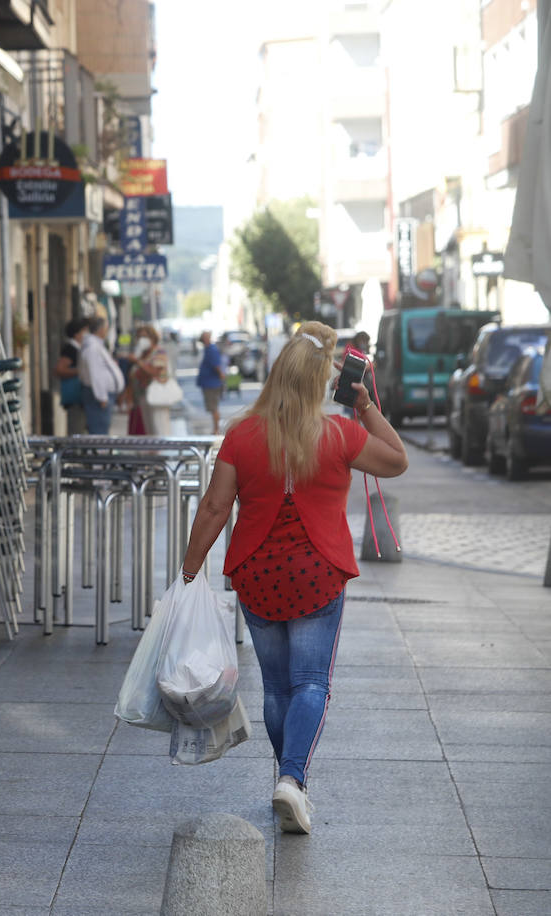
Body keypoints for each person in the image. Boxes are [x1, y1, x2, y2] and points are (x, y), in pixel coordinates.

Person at [179, 322, 408, 835]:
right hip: (317, 574)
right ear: (317, 383)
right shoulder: (341, 434)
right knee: (311, 684)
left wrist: (190, 568)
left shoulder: (241, 434)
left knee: (278, 688)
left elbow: (216, 507)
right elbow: (396, 460)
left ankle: (288, 780)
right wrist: (366, 406)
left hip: (257, 575)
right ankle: (292, 779)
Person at [78, 316, 125, 434]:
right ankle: (99, 452)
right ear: (100, 329)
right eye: (106, 328)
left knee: (102, 427)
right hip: (98, 396)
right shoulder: (92, 347)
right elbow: (95, 373)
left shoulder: (95, 345)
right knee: (99, 429)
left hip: (101, 395)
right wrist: (102, 397)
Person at [130, 325, 173, 436]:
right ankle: (153, 452)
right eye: (139, 336)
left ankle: (161, 452)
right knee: (149, 430)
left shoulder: (159, 352)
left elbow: (155, 372)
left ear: (152, 337)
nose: (141, 339)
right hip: (143, 395)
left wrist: (138, 362)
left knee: (159, 428)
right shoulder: (143, 354)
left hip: (157, 396)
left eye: (144, 336)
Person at [56, 318, 91, 434]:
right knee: (76, 430)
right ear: (77, 334)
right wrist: (81, 371)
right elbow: (59, 370)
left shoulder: (79, 348)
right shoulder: (70, 349)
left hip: (80, 398)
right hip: (74, 398)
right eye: (84, 331)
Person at [196, 330, 227, 434]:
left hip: (212, 383)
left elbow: (216, 365)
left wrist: (221, 375)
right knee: (212, 407)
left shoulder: (211, 350)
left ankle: (216, 429)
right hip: (209, 382)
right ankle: (216, 429)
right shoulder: (208, 349)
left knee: (213, 407)